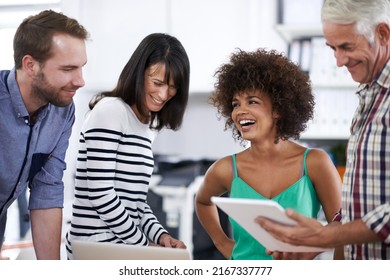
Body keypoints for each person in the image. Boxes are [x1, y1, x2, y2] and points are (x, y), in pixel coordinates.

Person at [257, 0, 390, 260]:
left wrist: (329, 236)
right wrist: (317, 238)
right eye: (332, 48)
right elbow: (364, 200)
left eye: (346, 47)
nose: (339, 61)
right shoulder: (370, 94)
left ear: (383, 34)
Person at [194, 48, 342, 260]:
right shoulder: (226, 169)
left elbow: (341, 229)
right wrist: (222, 243)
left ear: (278, 109)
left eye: (252, 101)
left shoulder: (315, 163)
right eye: (236, 104)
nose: (240, 111)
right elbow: (202, 201)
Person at [65, 33, 190, 259]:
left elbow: (136, 204)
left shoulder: (146, 127)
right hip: (94, 248)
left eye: (172, 87)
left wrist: (161, 236)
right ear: (138, 73)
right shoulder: (111, 111)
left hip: (119, 247)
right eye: (157, 83)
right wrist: (144, 245)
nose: (163, 94)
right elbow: (101, 193)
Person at [0, 10, 88, 259]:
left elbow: (46, 188)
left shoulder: (62, 111)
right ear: (30, 65)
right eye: (68, 69)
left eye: (81, 67)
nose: (80, 81)